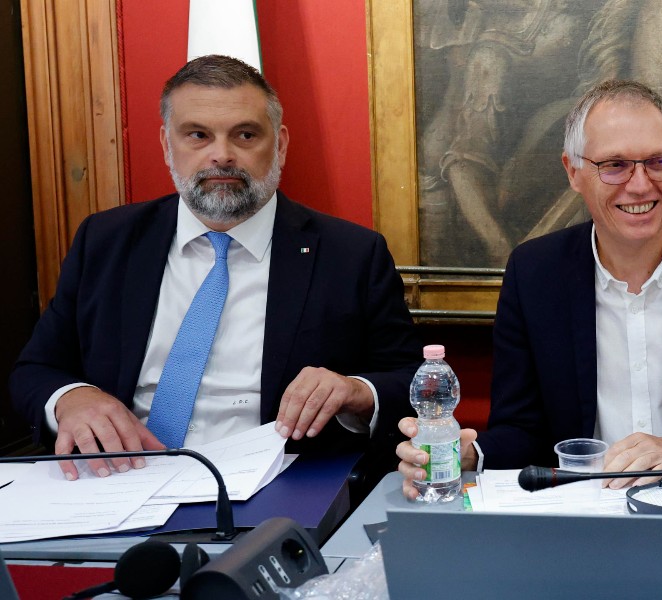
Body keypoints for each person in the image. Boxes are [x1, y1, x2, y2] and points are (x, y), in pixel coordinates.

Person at [10, 55, 421, 480]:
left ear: (279, 145)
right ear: (167, 145)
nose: (221, 156)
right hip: (119, 476)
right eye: (198, 135)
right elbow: (35, 370)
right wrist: (71, 398)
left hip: (278, 484)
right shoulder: (106, 240)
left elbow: (411, 381)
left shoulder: (351, 254)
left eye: (245, 135)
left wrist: (355, 390)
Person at [397, 79, 662, 498]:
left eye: (658, 162)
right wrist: (468, 454)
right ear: (573, 172)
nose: (640, 185)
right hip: (581, 508)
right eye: (615, 165)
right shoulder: (534, 274)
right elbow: (521, 430)